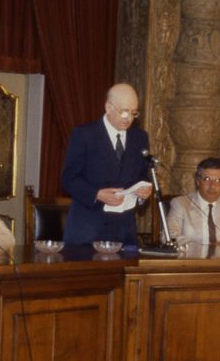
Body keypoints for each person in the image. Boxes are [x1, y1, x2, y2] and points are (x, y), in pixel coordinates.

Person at [61, 83, 154, 246]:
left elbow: (142, 174)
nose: (128, 118)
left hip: (125, 230)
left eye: (133, 113)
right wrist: (96, 194)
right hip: (88, 228)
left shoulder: (140, 138)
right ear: (108, 107)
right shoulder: (84, 134)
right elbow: (69, 179)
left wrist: (143, 192)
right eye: (123, 111)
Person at [167, 157, 220, 245]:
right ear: (198, 181)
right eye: (207, 179)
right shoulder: (180, 204)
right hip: (192, 256)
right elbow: (170, 236)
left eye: (218, 180)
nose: (212, 185)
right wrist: (206, 246)